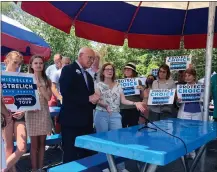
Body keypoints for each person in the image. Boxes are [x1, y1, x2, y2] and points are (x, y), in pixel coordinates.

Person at [59, 47, 100, 163]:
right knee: (70, 154)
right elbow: (65, 93)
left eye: (93, 59)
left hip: (86, 122)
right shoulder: (68, 69)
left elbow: (90, 97)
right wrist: (88, 98)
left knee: (86, 154)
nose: (92, 61)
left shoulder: (88, 76)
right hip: (71, 122)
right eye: (90, 57)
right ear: (80, 55)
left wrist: (94, 101)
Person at [94, 62, 145, 132]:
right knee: (102, 139)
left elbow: (123, 100)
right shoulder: (98, 85)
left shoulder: (118, 85)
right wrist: (105, 105)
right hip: (101, 114)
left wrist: (135, 103)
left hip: (115, 114)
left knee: (116, 138)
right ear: (103, 72)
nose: (110, 71)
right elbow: (96, 99)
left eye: (111, 69)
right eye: (107, 69)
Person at [25, 55, 53, 172]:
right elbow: (23, 99)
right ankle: (34, 169)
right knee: (34, 145)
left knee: (42, 143)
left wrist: (40, 86)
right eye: (35, 63)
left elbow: (48, 97)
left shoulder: (47, 80)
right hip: (31, 114)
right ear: (31, 65)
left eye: (40, 63)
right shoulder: (26, 78)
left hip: (43, 113)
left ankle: (40, 168)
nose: (38, 65)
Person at [2, 51, 27, 172]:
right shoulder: (1, 76)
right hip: (4, 115)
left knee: (22, 148)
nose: (17, 66)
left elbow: (24, 99)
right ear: (6, 60)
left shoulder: (21, 77)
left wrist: (23, 111)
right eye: (15, 62)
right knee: (8, 148)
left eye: (19, 63)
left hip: (18, 114)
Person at [120, 62, 144, 127]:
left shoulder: (138, 81)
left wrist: (142, 90)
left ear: (133, 71)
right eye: (125, 69)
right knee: (123, 128)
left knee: (134, 127)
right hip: (123, 108)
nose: (126, 71)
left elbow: (142, 97)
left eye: (129, 69)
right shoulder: (120, 82)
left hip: (135, 108)